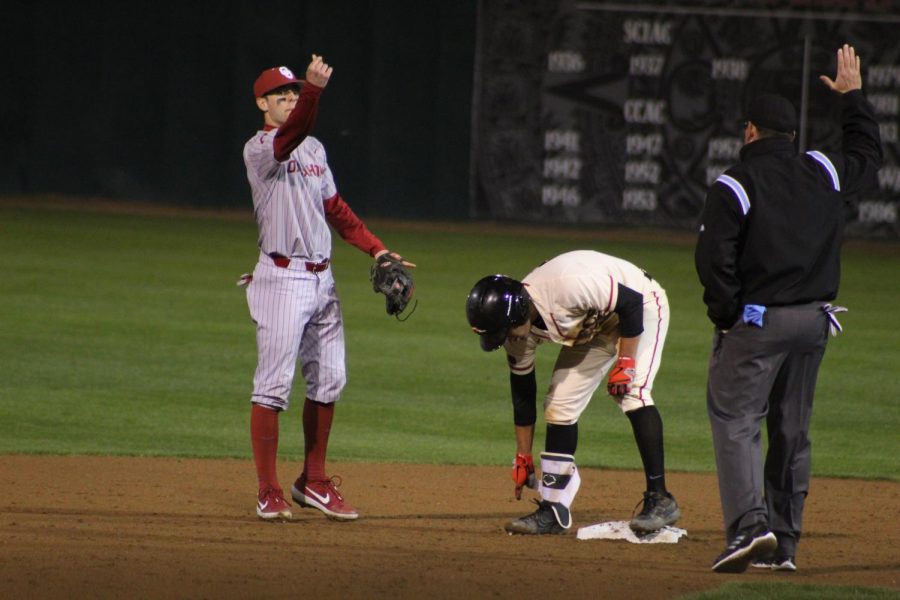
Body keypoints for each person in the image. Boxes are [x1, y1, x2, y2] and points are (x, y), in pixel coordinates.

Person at [695, 44, 882, 573]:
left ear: (750, 132)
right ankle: (785, 545)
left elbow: (715, 261)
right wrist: (853, 100)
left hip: (759, 322)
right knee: (792, 430)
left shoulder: (735, 182)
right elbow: (868, 157)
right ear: (793, 137)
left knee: (735, 419)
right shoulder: (822, 169)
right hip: (816, 321)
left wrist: (728, 315)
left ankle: (749, 529)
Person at [242, 54, 414, 521]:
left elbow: (335, 208)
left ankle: (312, 481)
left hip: (323, 280)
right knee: (273, 387)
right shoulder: (260, 148)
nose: (291, 100)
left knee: (330, 379)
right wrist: (316, 93)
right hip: (281, 279)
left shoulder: (315, 150)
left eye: (295, 93)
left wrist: (377, 250)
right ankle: (267, 489)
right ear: (262, 103)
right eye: (282, 95)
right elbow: (288, 138)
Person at [465, 250, 680, 536]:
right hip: (593, 323)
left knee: (632, 391)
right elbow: (523, 391)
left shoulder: (569, 285)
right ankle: (553, 510)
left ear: (517, 314)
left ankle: (661, 499)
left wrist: (626, 362)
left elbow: (630, 303)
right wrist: (523, 454)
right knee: (559, 405)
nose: (506, 339)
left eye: (504, 331)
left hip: (640, 304)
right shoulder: (517, 328)